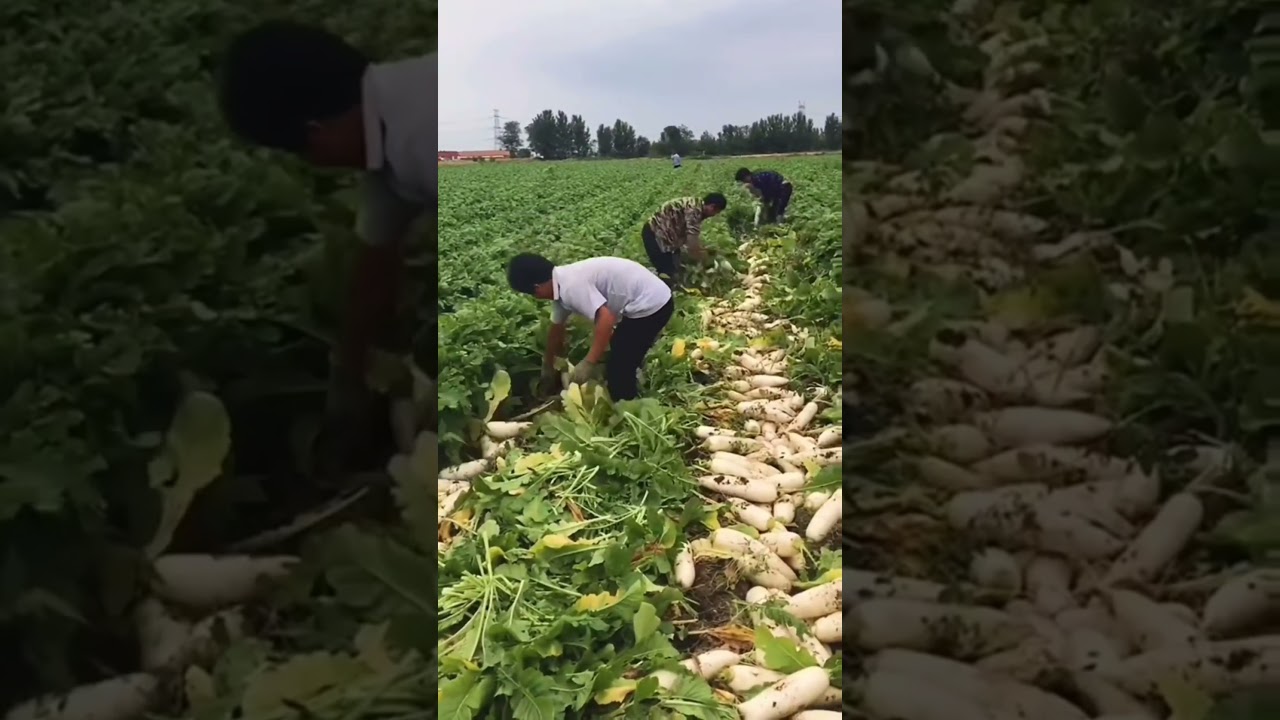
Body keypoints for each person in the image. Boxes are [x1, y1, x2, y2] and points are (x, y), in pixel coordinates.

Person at [218, 21, 434, 471]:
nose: (319, 165)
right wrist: (348, 374)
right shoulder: (388, 138)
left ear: (315, 133)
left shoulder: (422, 136)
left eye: (304, 152)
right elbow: (374, 264)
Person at [506, 254, 675, 401]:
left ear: (537, 287)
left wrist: (588, 362)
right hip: (651, 296)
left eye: (533, 294)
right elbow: (556, 329)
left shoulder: (571, 287)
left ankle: (628, 408)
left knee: (618, 371)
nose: (537, 298)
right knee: (620, 346)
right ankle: (634, 372)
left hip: (652, 305)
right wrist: (548, 365)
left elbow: (606, 320)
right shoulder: (562, 282)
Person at [641, 193, 727, 287]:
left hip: (668, 238)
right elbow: (692, 243)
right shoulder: (694, 210)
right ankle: (661, 292)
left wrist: (700, 250)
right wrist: (703, 260)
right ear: (712, 207)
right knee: (666, 271)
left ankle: (674, 287)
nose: (713, 215)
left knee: (675, 268)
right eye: (716, 212)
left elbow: (688, 234)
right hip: (654, 234)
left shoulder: (697, 206)